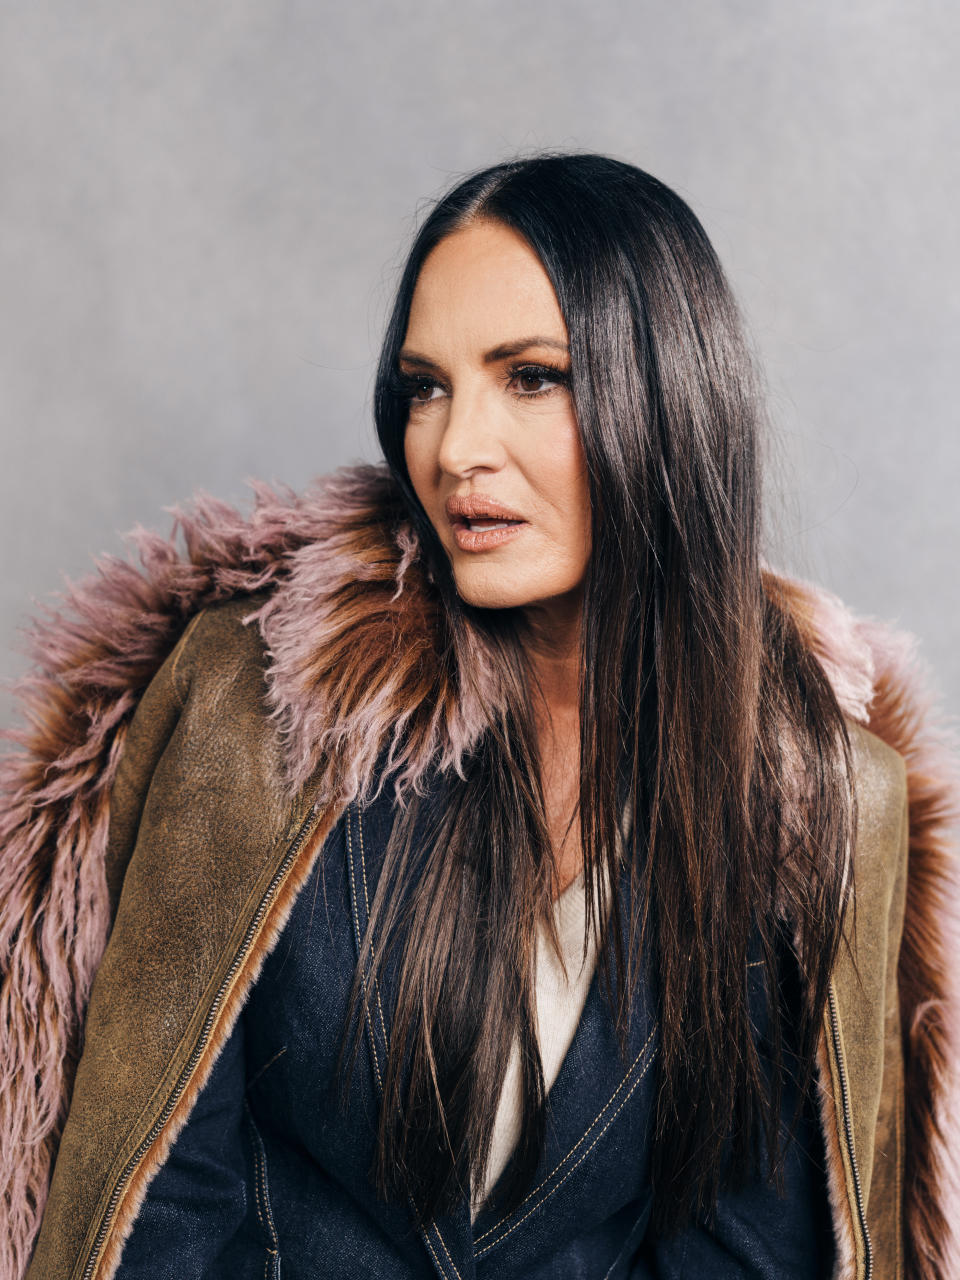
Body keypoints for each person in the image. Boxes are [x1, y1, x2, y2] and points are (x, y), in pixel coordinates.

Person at [1, 153, 957, 1280]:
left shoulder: (807, 802)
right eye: (426, 385)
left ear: (672, 397)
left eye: (532, 376)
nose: (455, 449)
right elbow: (154, 1205)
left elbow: (755, 1251)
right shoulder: (265, 707)